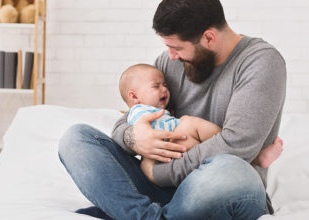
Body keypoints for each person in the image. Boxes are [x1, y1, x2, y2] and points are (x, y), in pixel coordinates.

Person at [58, 0, 286, 219]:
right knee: (76, 139)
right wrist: (135, 138)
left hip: (224, 189)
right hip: (170, 190)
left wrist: (153, 173)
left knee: (229, 167)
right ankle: (148, 217)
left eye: (176, 48)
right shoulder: (171, 63)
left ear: (208, 37)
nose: (171, 56)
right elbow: (130, 117)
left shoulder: (260, 62)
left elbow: (235, 147)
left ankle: (124, 212)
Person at [119, 63, 283, 178]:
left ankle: (241, 154)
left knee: (193, 136)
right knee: (189, 123)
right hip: (162, 157)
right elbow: (131, 131)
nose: (164, 89)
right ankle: (250, 157)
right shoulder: (139, 112)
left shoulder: (159, 111)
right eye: (156, 86)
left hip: (176, 157)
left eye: (165, 85)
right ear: (134, 96)